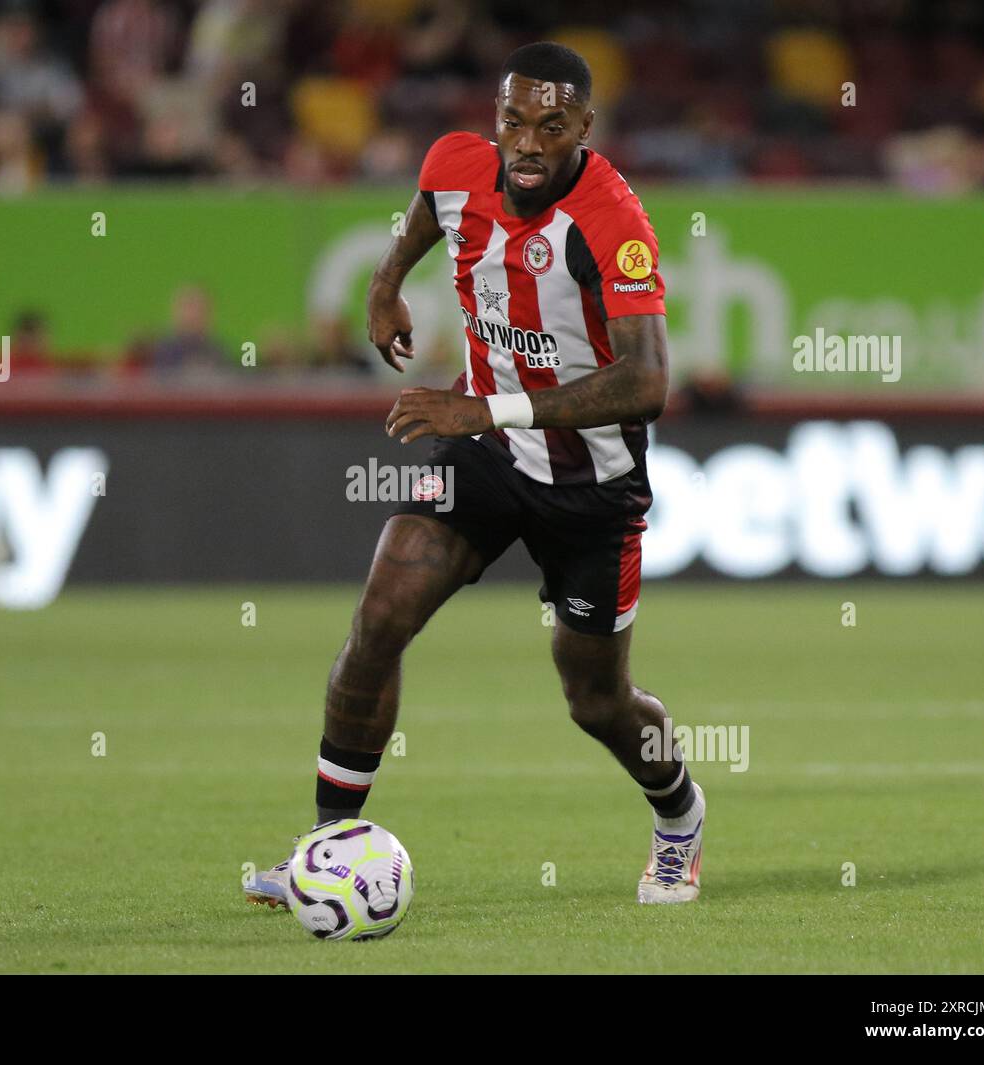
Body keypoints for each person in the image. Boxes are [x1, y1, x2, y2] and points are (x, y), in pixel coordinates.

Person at [246, 42, 705, 908]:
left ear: (585, 130)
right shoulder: (459, 165)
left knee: (595, 699)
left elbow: (646, 384)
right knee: (380, 613)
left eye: (551, 126)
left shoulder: (612, 223)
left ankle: (678, 815)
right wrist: (386, 285)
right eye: (514, 121)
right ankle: (325, 849)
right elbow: (425, 211)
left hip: (590, 487)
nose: (527, 143)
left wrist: (484, 408)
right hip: (488, 459)